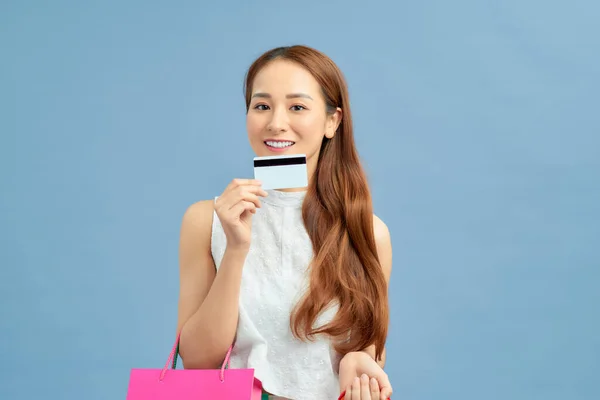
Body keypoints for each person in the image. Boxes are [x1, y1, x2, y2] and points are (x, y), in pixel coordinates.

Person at [175, 45, 394, 400]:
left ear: (331, 122)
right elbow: (198, 361)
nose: (276, 122)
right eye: (262, 106)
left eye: (297, 107)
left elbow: (371, 353)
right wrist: (236, 248)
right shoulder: (206, 219)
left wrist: (359, 361)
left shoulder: (368, 232)